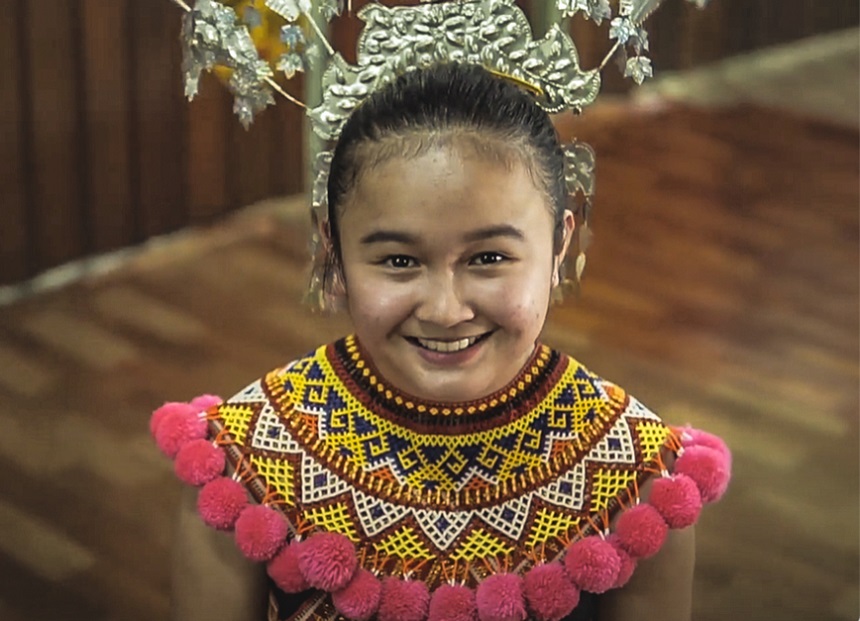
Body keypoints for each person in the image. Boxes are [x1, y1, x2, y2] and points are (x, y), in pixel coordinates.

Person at [151, 62, 731, 621]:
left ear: (558, 251)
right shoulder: (241, 463)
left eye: (489, 258)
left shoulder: (638, 479)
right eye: (399, 261)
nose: (446, 310)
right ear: (334, 255)